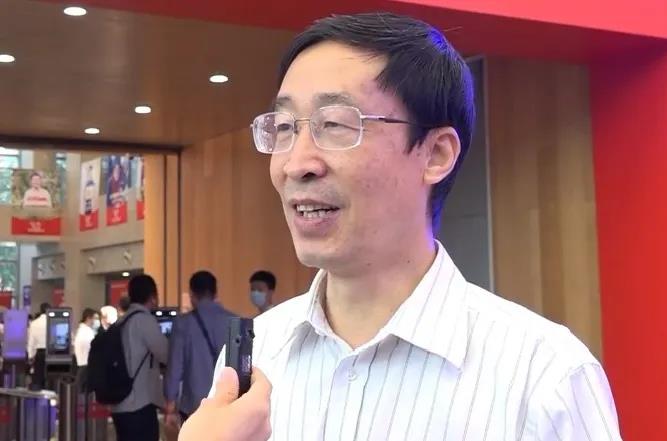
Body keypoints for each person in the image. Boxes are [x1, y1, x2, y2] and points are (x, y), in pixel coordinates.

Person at [186, 12, 622, 441]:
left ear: (436, 154)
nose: (295, 164)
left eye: (334, 124)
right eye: (284, 127)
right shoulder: (257, 355)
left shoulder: (543, 379)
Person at [164, 271, 237, 427]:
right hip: (227, 403)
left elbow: (175, 367)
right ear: (215, 293)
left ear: (192, 294)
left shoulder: (183, 323)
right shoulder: (234, 321)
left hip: (194, 405)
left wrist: (170, 403)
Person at [111, 275, 168, 441]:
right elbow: (165, 354)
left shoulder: (121, 321)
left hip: (119, 403)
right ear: (153, 297)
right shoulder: (144, 320)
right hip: (139, 404)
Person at [73, 307, 98, 390]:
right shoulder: (87, 332)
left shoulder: (81, 330)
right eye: (94, 318)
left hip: (82, 366)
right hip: (86, 366)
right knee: (84, 393)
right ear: (88, 318)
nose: (95, 321)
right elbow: (92, 348)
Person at [27, 302, 50, 390]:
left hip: (40, 353)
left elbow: (31, 341)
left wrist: (30, 356)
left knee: (39, 378)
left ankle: (40, 394)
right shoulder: (53, 321)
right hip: (52, 353)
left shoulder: (34, 323)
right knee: (51, 379)